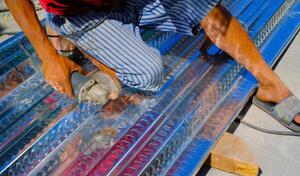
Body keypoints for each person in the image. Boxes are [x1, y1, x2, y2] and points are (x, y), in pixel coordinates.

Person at [5, 0, 300, 130]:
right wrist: (47, 55)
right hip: (81, 13)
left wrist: (205, 13)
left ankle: (271, 86)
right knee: (149, 74)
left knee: (208, 10)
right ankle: (69, 40)